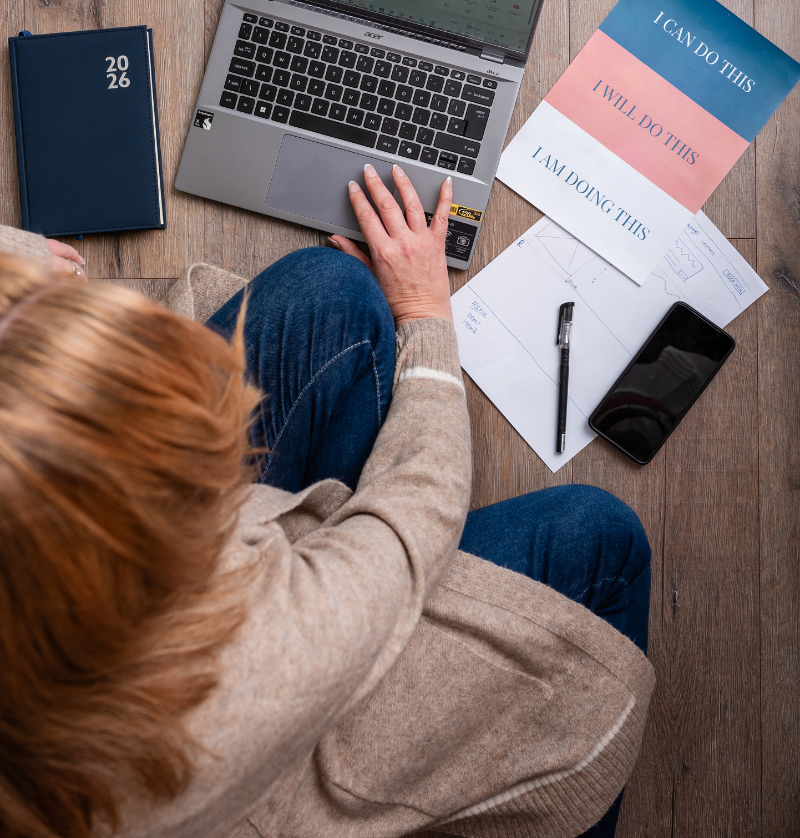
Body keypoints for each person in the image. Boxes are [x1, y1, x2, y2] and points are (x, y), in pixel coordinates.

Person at [0, 165, 653, 838]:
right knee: (601, 540)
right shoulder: (239, 668)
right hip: (251, 756)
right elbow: (406, 525)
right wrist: (427, 318)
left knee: (331, 292)